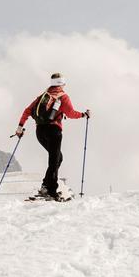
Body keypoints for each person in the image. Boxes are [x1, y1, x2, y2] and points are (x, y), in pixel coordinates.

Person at [15, 72, 89, 201]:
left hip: (40, 131)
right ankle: (51, 191)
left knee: (57, 158)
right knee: (54, 160)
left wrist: (20, 128)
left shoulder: (43, 96)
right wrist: (83, 115)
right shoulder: (63, 96)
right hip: (53, 130)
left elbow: (27, 110)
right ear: (62, 83)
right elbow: (71, 113)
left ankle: (46, 186)